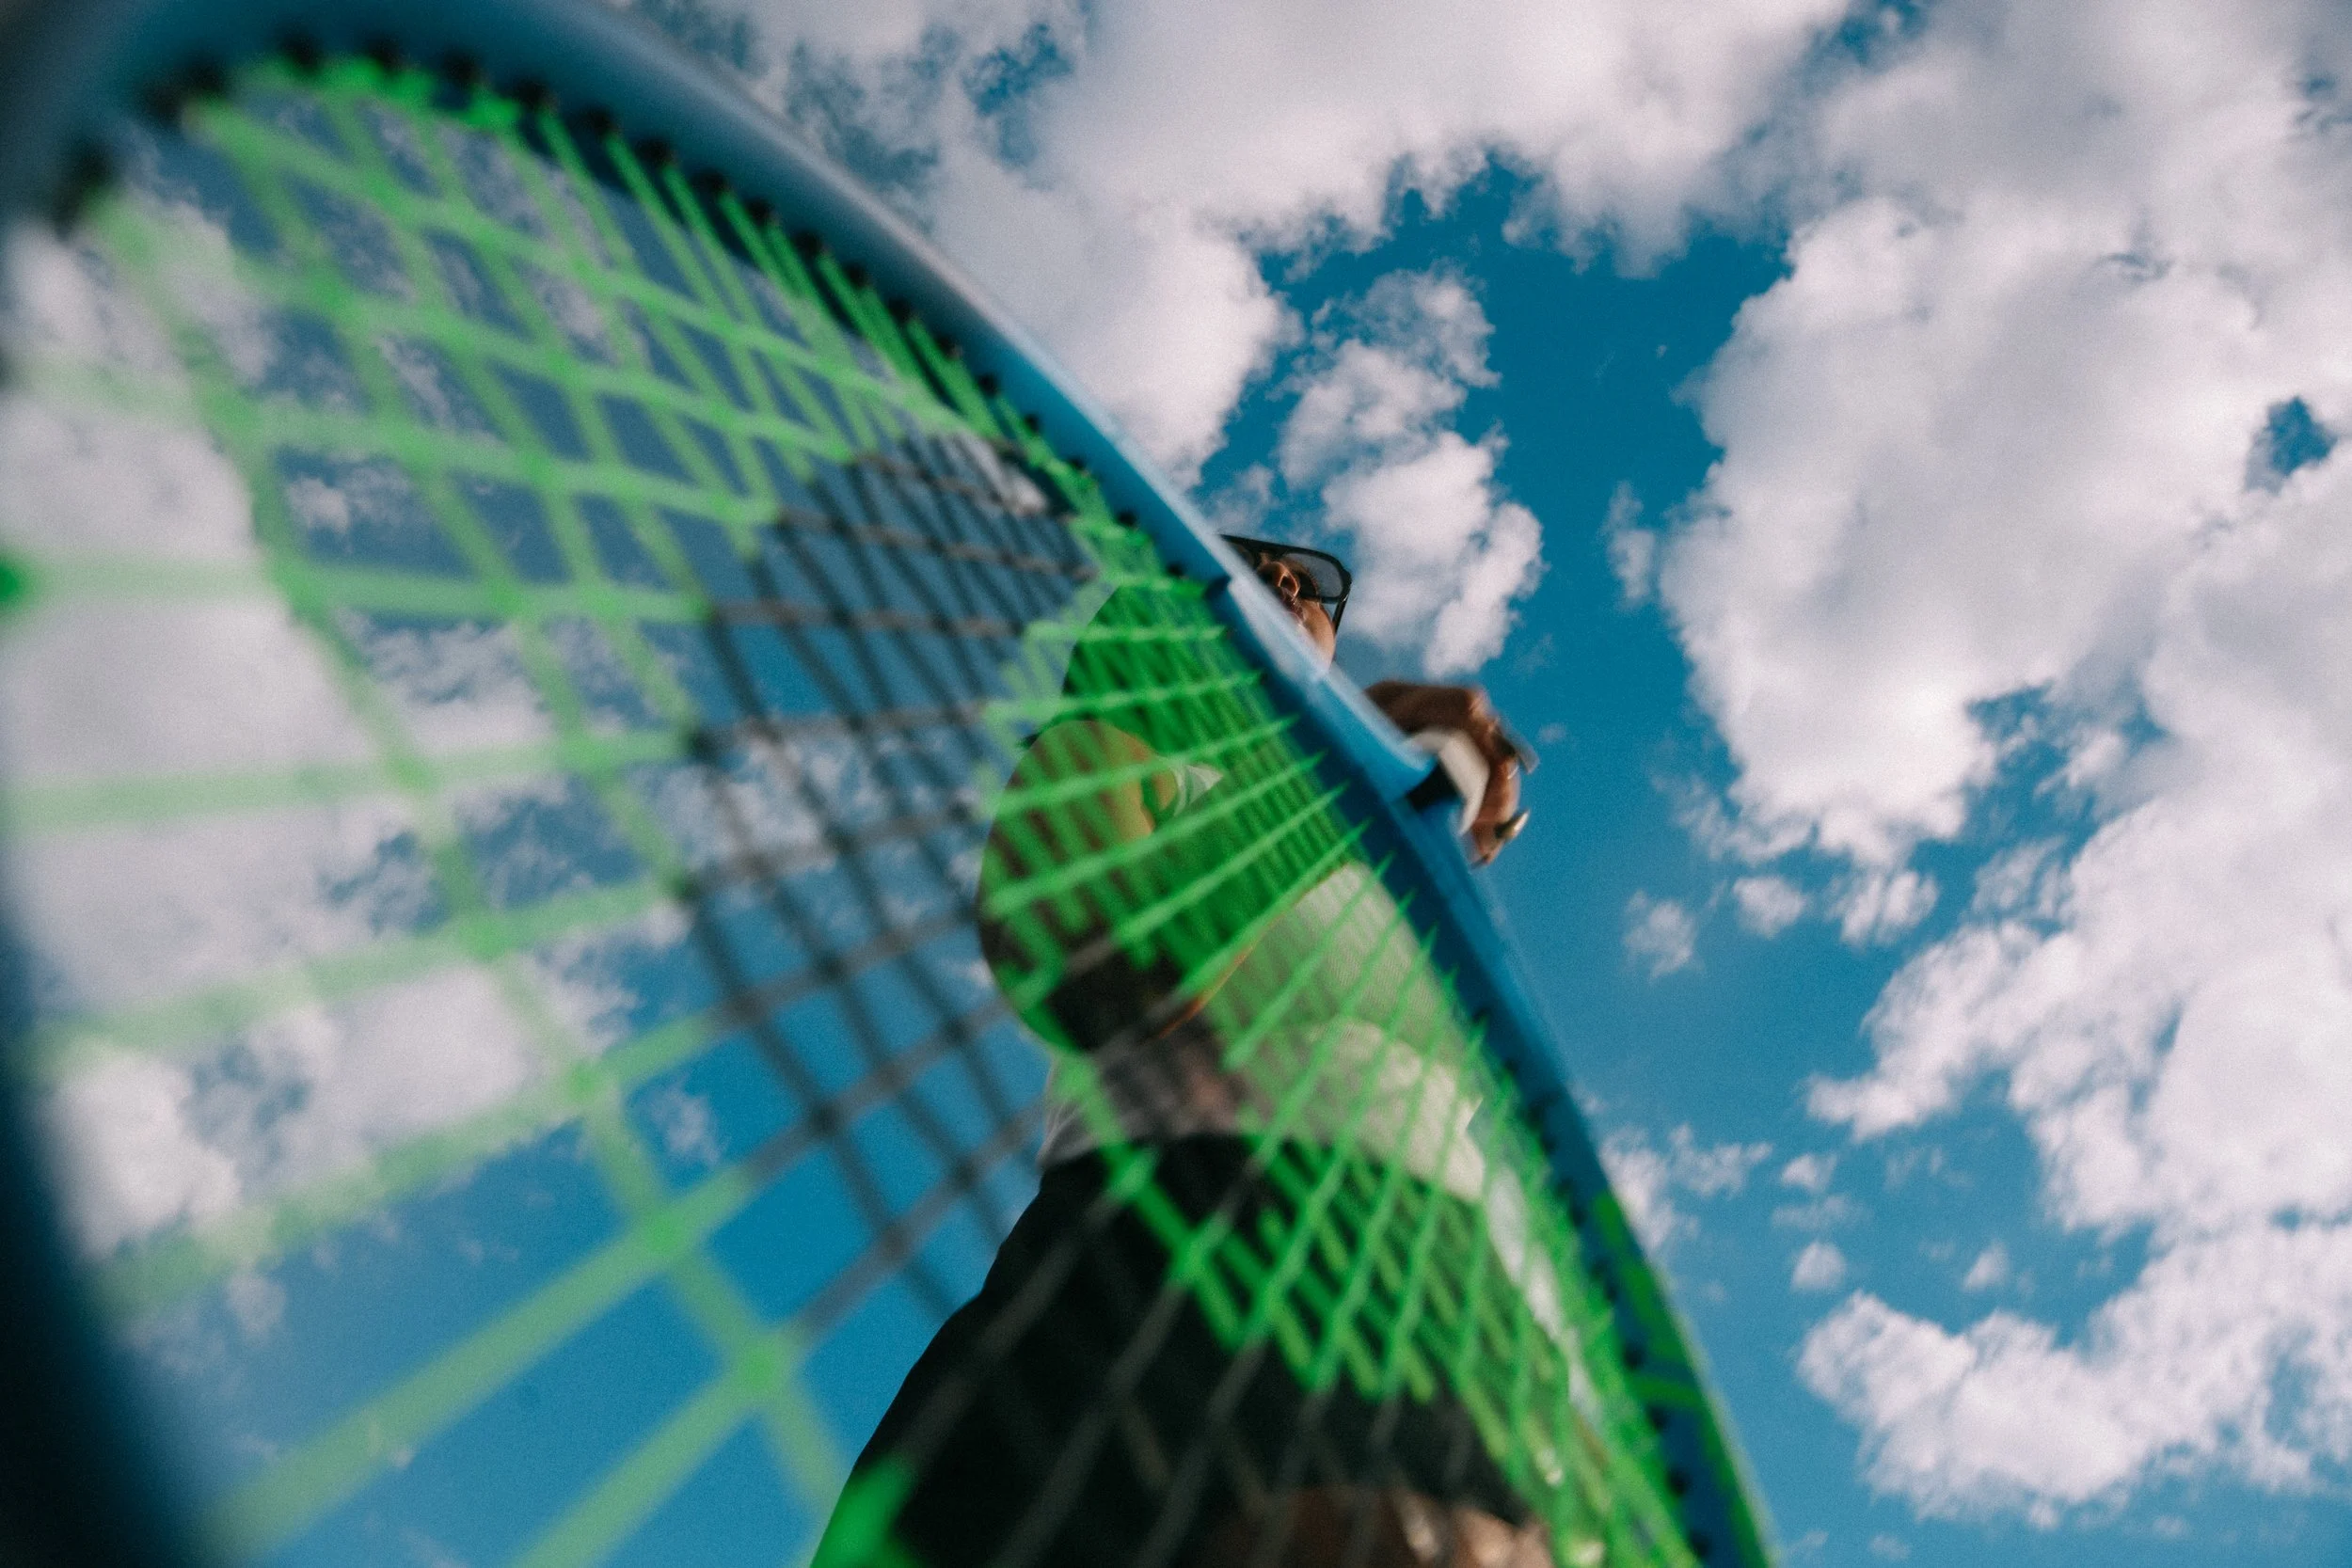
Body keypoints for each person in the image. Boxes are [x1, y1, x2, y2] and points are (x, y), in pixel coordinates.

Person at [818, 537, 1554, 1568]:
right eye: (1246, 560)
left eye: (1312, 575)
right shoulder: (1116, 745)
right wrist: (1323, 785)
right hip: (1165, 1242)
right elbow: (1100, 978)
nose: (1291, 580)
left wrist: (1418, 822)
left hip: (1441, 1281)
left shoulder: (1374, 849)